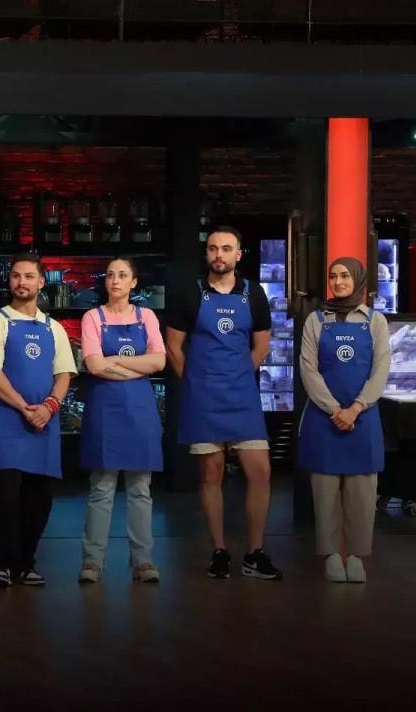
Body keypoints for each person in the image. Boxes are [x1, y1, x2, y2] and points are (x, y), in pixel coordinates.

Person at [166, 225, 283, 580]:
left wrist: (238, 377)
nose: (219, 254)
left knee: (260, 472)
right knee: (211, 474)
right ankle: (219, 551)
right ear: (207, 254)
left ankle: (255, 553)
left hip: (242, 396)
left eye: (226, 248)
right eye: (213, 248)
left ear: (238, 255)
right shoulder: (190, 293)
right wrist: (196, 384)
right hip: (203, 398)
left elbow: (262, 346)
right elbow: (173, 347)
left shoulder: (254, 293)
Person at [0, 253, 77, 588]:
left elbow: (64, 374)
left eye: (29, 276)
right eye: (16, 276)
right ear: (10, 281)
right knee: (6, 497)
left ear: (41, 282)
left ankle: (26, 563)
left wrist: (48, 407)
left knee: (40, 498)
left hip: (45, 423)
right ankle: (0, 564)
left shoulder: (54, 328)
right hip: (8, 422)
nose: (22, 282)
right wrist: (24, 407)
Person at [299, 257, 389, 583]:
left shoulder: (375, 321)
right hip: (323, 419)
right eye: (333, 276)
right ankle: (332, 556)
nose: (338, 282)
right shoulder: (315, 321)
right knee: (325, 495)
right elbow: (308, 369)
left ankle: (356, 557)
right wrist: (335, 409)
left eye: (345, 276)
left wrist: (356, 408)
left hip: (363, 419)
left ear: (358, 280)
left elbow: (381, 370)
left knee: (362, 493)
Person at [77, 258, 165, 584]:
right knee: (101, 487)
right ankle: (93, 561)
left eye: (123, 275)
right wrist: (134, 367)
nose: (115, 280)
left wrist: (112, 360)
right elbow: (93, 365)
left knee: (141, 488)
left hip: (140, 410)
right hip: (105, 410)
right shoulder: (92, 317)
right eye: (111, 275)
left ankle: (143, 560)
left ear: (133, 282)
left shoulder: (147, 317)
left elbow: (159, 361)